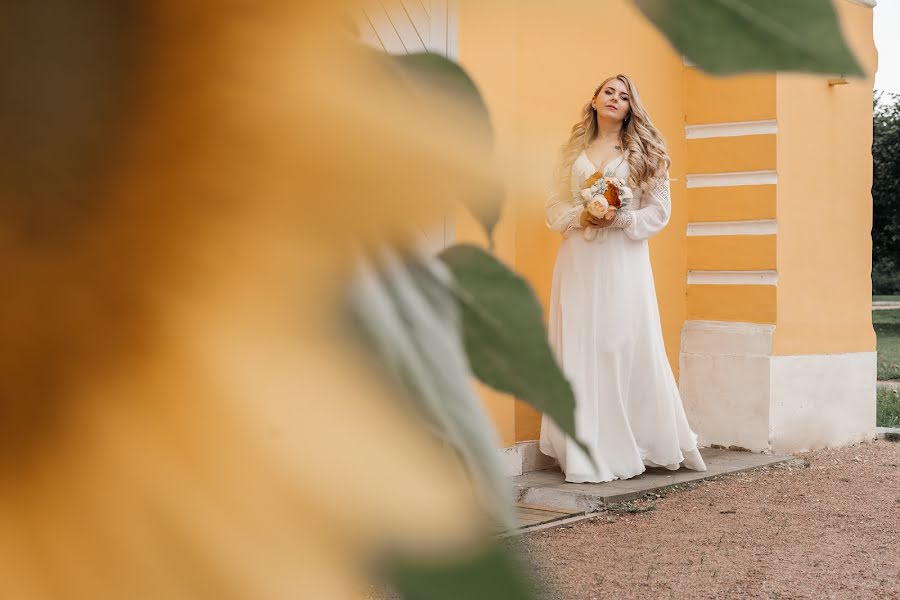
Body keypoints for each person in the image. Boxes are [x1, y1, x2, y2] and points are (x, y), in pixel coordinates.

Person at [540, 74, 707, 483]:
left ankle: (632, 440)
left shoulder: (644, 151)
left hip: (623, 260)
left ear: (632, 107)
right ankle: (585, 447)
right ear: (594, 99)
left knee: (618, 342)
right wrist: (581, 215)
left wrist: (621, 218)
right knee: (579, 345)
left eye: (624, 95)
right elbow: (552, 205)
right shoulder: (570, 151)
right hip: (578, 259)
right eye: (609, 92)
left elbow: (659, 212)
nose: (615, 99)